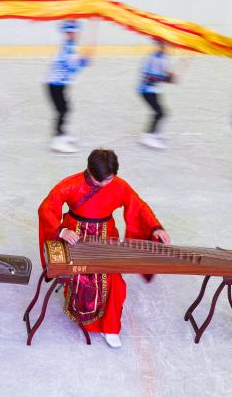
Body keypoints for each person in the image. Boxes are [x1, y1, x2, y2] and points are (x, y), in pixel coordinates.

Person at [37, 149, 170, 348]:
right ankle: (83, 315)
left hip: (107, 237)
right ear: (90, 172)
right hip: (75, 236)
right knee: (82, 276)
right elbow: (46, 208)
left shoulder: (119, 185)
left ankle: (111, 326)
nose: (108, 184)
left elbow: (138, 206)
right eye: (103, 181)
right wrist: (61, 231)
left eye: (110, 179)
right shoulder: (70, 184)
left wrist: (155, 227)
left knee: (114, 280)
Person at [47, 21, 90, 153]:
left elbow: (72, 64)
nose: (75, 35)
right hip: (55, 84)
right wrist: (83, 62)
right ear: (67, 34)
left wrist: (81, 60)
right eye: (72, 32)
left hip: (60, 84)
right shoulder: (68, 48)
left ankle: (62, 133)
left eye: (76, 32)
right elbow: (71, 68)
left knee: (65, 108)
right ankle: (57, 140)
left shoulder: (70, 46)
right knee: (62, 110)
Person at [139, 37, 174, 149]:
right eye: (163, 45)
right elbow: (150, 77)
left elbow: (166, 73)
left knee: (162, 112)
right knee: (159, 112)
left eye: (166, 45)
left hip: (155, 90)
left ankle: (155, 132)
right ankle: (147, 136)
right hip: (146, 90)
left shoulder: (165, 58)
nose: (165, 47)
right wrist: (166, 78)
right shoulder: (152, 58)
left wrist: (169, 76)